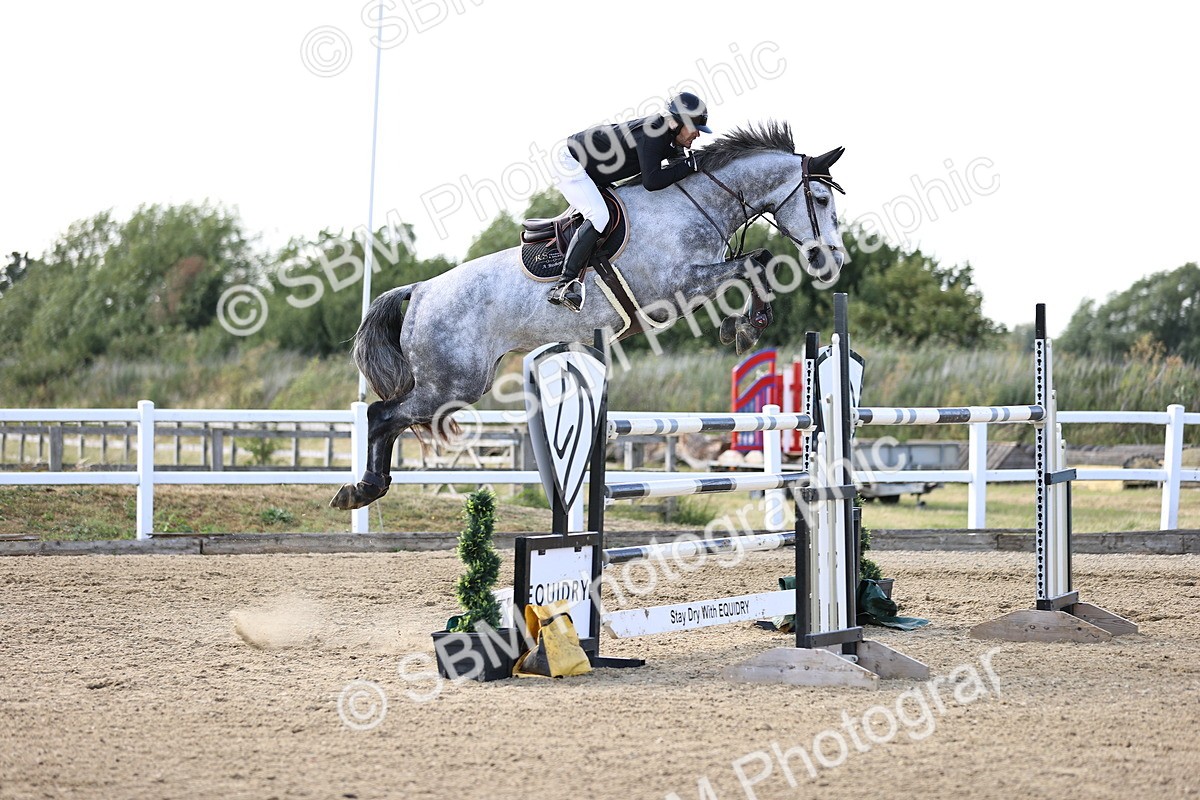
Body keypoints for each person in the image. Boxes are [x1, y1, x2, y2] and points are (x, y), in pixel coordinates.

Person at [547, 91, 713, 311]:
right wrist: (690, 165)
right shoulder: (654, 133)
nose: (698, 135)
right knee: (599, 216)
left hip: (593, 170)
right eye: (695, 129)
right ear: (680, 123)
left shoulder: (669, 138)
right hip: (570, 161)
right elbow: (652, 181)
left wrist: (691, 166)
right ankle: (564, 284)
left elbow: (679, 171)